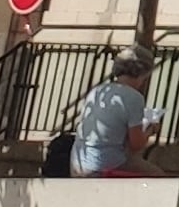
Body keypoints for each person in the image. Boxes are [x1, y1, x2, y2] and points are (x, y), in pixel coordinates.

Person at [68, 49, 160, 178]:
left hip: (78, 161)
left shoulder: (98, 91)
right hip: (104, 164)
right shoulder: (134, 97)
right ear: (142, 74)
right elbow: (136, 144)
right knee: (157, 176)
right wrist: (151, 130)